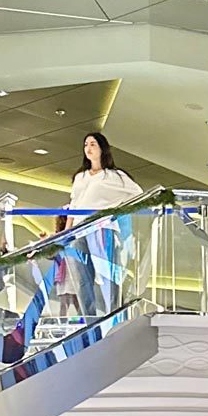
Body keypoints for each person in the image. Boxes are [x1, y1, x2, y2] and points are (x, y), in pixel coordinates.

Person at [61, 131, 142, 315]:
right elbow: (74, 204)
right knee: (82, 280)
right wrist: (67, 232)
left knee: (109, 276)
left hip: (102, 228)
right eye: (86, 145)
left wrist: (115, 212)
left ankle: (114, 316)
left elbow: (138, 194)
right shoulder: (80, 177)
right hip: (79, 230)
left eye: (92, 144)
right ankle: (90, 322)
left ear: (102, 148)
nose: (88, 148)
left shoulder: (114, 176)